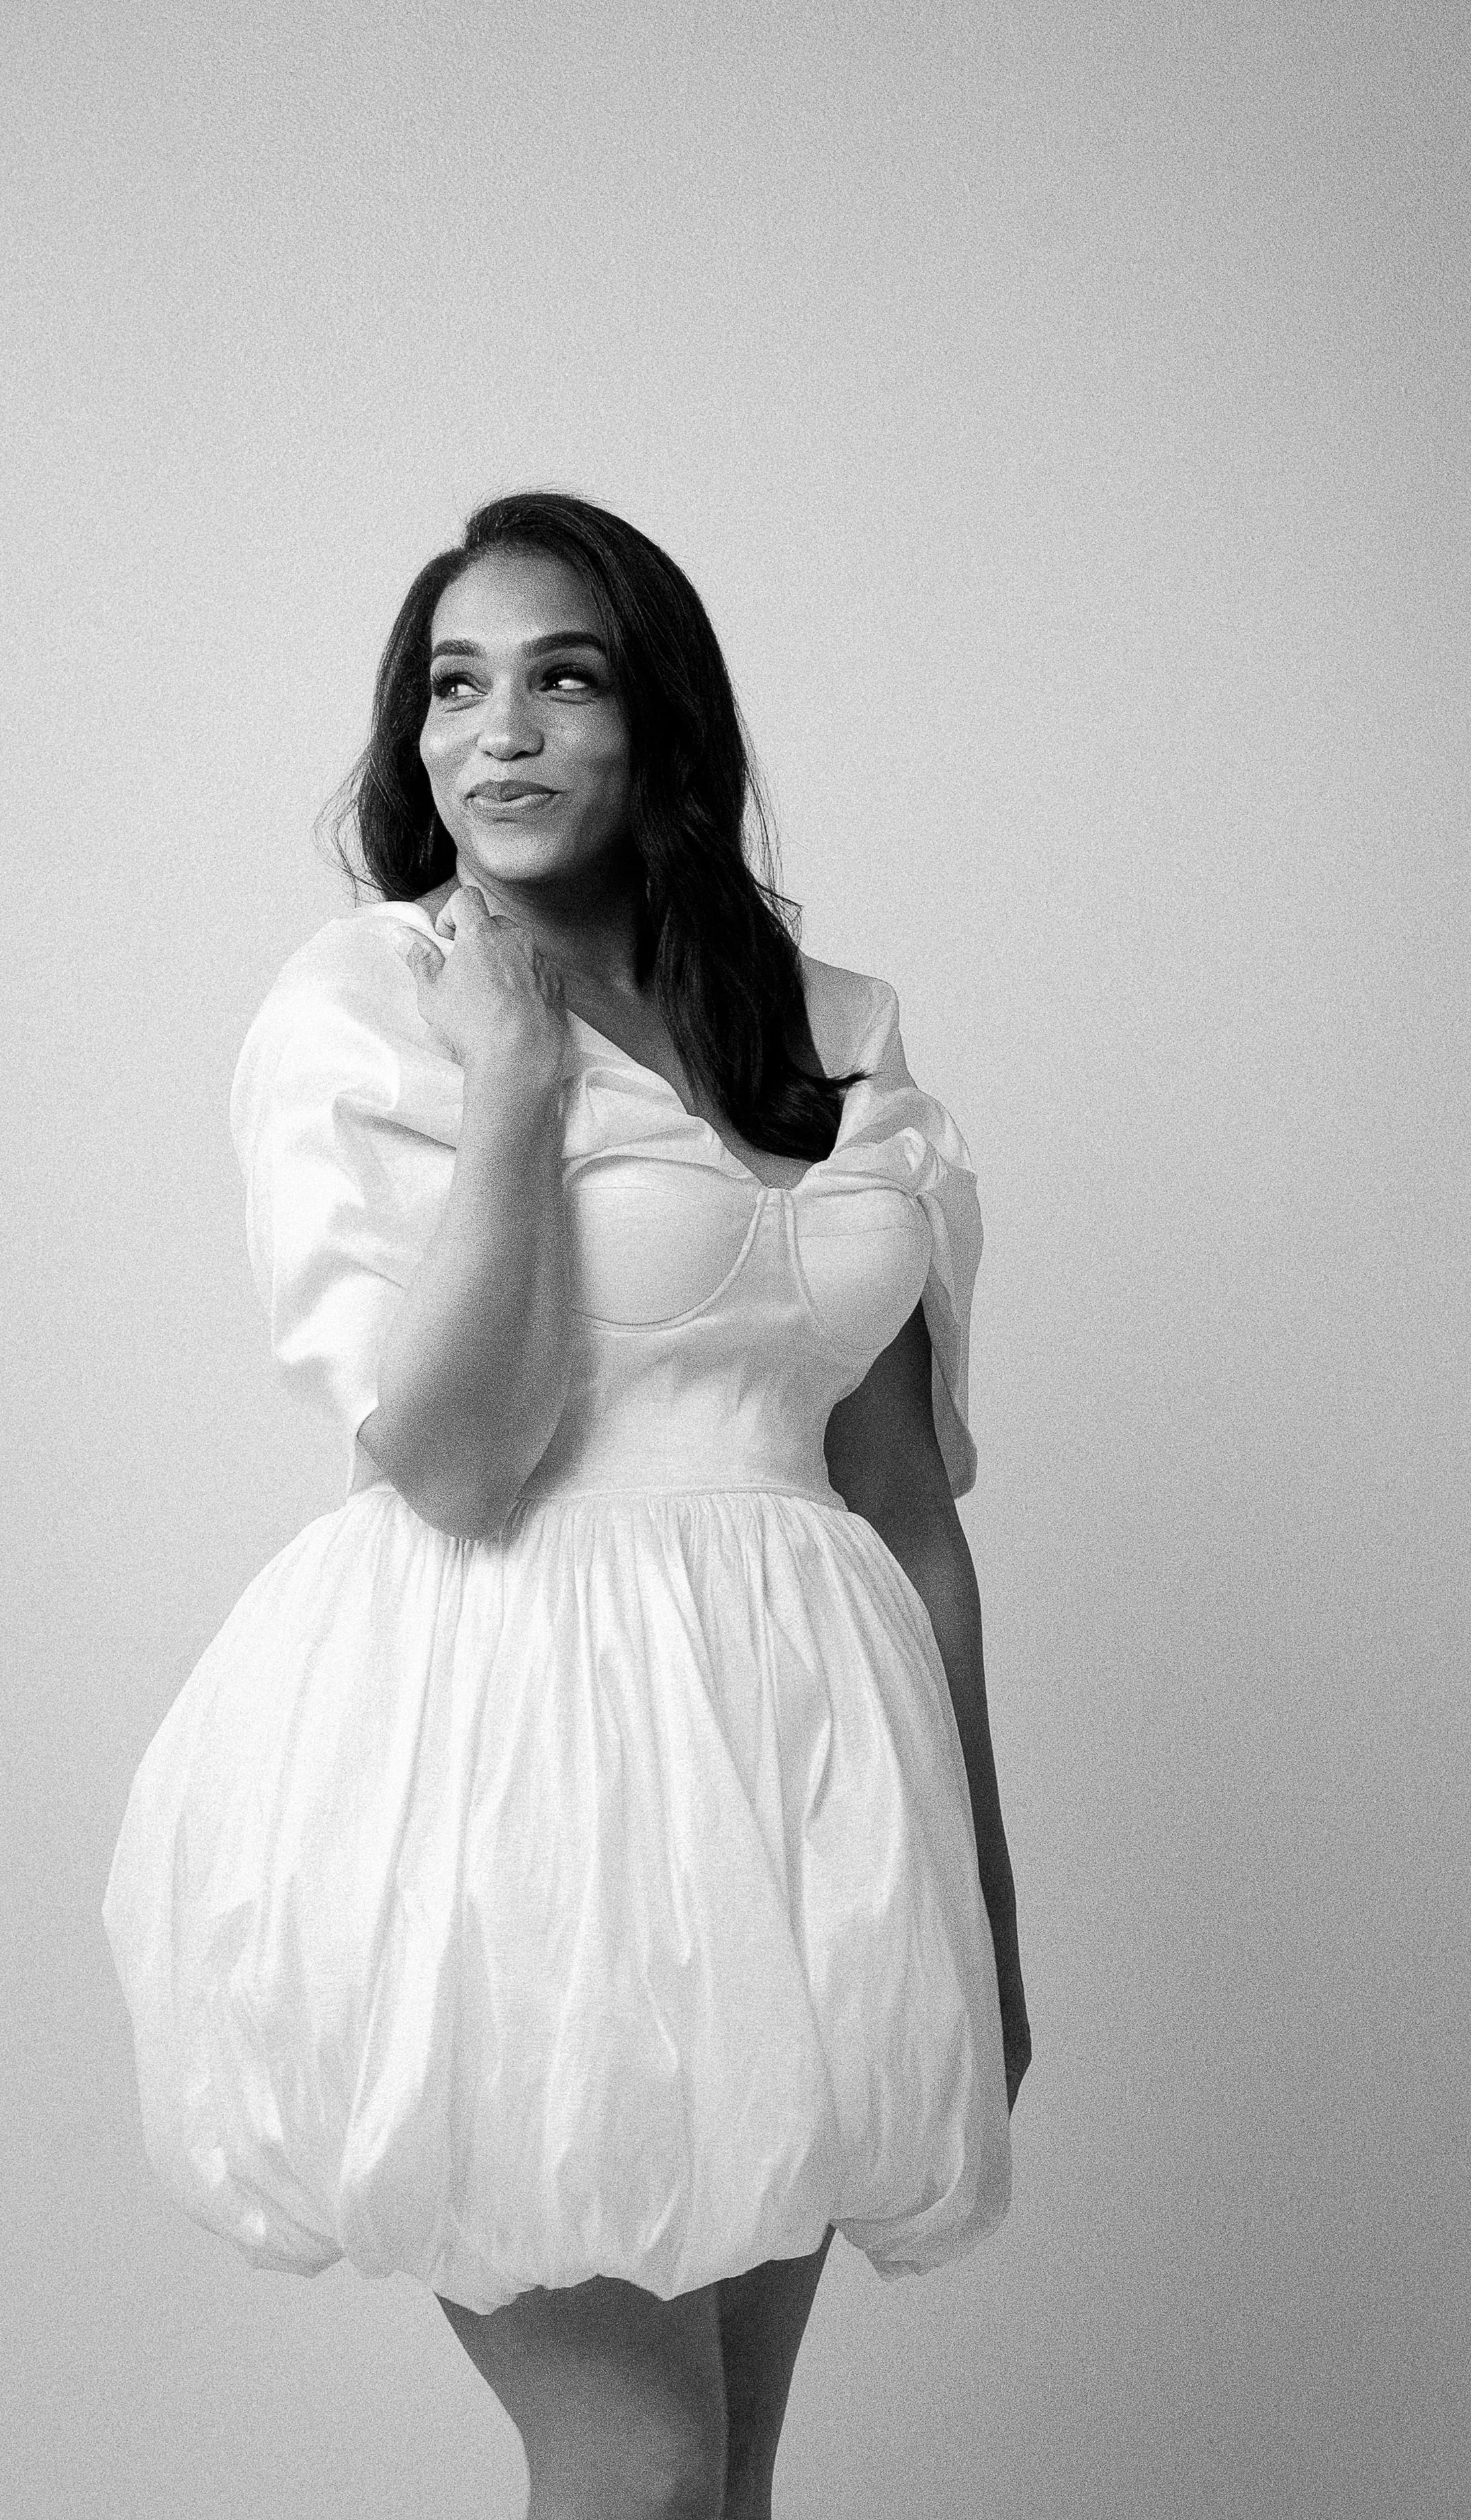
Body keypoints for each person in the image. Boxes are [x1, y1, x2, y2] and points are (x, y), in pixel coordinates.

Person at [103, 491, 1030, 2519]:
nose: (496, 734)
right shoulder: (375, 1004)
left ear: (659, 724)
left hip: (794, 1797)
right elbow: (453, 1450)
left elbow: (903, 1509)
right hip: (519, 1776)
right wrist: (517, 1075)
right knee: (638, 2470)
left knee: (725, 2483)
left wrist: (979, 1905)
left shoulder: (832, 1034)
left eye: (561, 678)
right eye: (452, 687)